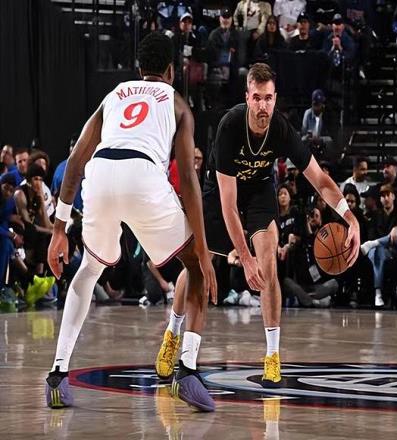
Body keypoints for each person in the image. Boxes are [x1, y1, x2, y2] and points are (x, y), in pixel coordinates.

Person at [45, 33, 217, 412]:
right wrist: (203, 250)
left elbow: (75, 161)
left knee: (89, 270)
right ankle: (187, 370)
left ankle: (58, 373)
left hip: (101, 173)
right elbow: (188, 179)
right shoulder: (177, 103)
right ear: (171, 71)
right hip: (143, 176)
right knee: (194, 268)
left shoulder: (115, 94)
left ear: (140, 70)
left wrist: (59, 230)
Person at [161, 63, 360, 388]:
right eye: (257, 98)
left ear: (275, 98)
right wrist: (244, 256)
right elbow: (228, 204)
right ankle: (172, 332)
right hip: (220, 190)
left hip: (259, 191)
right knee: (197, 265)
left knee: (268, 263)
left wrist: (349, 217)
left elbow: (320, 180)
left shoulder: (281, 129)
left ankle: (272, 355)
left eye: (268, 98)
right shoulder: (230, 126)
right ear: (247, 98)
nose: (263, 105)